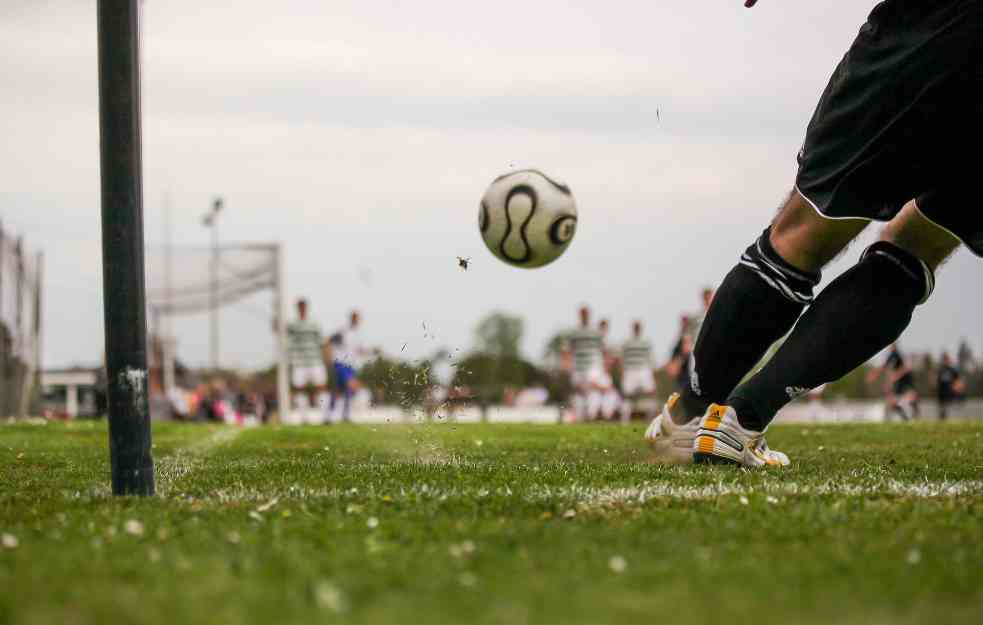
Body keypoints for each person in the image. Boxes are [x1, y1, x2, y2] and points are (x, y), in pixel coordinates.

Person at [647, 0, 982, 466]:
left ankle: (691, 416)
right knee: (920, 245)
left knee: (800, 235)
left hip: (937, 27)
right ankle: (740, 421)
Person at [286, 298, 326, 416]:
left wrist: (325, 357)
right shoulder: (292, 324)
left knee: (321, 386)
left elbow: (321, 341)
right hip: (299, 362)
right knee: (299, 388)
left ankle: (325, 416)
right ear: (297, 308)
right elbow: (285, 335)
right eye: (300, 306)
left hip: (315, 360)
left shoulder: (314, 323)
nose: (302, 309)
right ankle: (303, 417)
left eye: (304, 306)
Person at [565, 306, 605, 421]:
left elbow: (602, 349)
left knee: (592, 388)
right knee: (579, 391)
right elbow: (569, 350)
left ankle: (591, 415)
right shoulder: (574, 332)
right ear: (579, 315)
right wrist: (568, 366)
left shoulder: (595, 332)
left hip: (592, 365)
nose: (584, 316)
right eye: (582, 313)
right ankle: (580, 417)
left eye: (586, 313)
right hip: (578, 366)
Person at [329, 310, 370, 423]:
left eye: (357, 318)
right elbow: (330, 340)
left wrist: (369, 352)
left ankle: (343, 415)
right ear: (351, 318)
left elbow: (359, 349)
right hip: (341, 363)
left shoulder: (358, 334)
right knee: (352, 385)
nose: (356, 320)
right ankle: (333, 414)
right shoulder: (343, 330)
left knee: (343, 391)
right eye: (354, 318)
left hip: (351, 365)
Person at [868, 343, 920, 421]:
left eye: (891, 346)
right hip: (899, 383)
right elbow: (883, 366)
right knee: (892, 402)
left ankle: (913, 415)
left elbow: (907, 367)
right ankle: (906, 418)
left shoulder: (898, 355)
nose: (889, 348)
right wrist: (875, 374)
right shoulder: (892, 355)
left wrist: (896, 375)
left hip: (906, 381)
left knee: (910, 398)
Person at [620, 320, 657, 421]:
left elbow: (650, 358)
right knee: (627, 395)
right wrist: (623, 372)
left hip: (643, 369)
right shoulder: (627, 343)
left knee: (650, 393)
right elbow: (623, 358)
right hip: (630, 370)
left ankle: (651, 419)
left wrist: (652, 373)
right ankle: (625, 420)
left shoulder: (646, 342)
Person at [936, 351, 965, 421]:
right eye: (944, 359)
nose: (946, 361)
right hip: (941, 394)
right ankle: (942, 421)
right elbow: (937, 381)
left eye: (947, 359)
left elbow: (959, 381)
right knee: (942, 411)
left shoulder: (953, 370)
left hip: (950, 394)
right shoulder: (940, 370)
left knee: (950, 411)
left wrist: (957, 388)